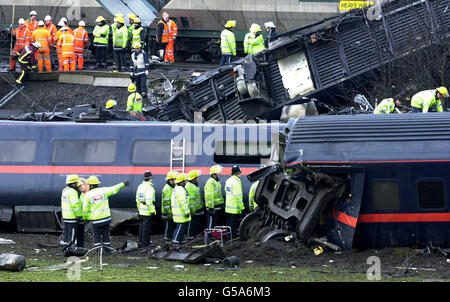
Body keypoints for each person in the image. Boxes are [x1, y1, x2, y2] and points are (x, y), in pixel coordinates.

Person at [81, 176, 129, 249]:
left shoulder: (87, 195)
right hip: (106, 219)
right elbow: (114, 188)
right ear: (97, 184)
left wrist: (85, 218)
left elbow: (85, 210)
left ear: (90, 185)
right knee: (106, 234)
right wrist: (123, 184)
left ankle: (97, 250)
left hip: (95, 220)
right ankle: (107, 249)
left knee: (96, 235)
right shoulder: (103, 191)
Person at [61, 174, 84, 247]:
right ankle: (71, 248)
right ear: (74, 183)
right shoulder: (73, 192)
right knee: (72, 234)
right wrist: (79, 215)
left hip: (65, 216)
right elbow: (75, 205)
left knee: (67, 234)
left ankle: (65, 248)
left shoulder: (65, 190)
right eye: (77, 182)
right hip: (72, 217)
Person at [135, 171, 157, 247]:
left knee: (142, 226)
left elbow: (137, 199)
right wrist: (153, 210)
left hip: (141, 209)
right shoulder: (149, 188)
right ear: (150, 178)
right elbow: (149, 201)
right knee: (146, 228)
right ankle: (146, 243)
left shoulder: (140, 186)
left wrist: (139, 209)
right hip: (147, 211)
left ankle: (141, 241)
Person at [171, 173, 191, 247]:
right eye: (184, 181)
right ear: (181, 182)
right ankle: (176, 241)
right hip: (181, 212)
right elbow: (183, 202)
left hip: (178, 212)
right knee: (180, 227)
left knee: (181, 227)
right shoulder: (181, 190)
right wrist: (187, 211)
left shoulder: (176, 189)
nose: (185, 182)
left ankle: (181, 240)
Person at [225, 166, 244, 238]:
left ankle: (228, 235)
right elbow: (238, 197)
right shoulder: (236, 182)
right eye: (240, 173)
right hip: (234, 208)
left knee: (229, 222)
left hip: (228, 207)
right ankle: (232, 236)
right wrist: (242, 208)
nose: (241, 175)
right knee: (233, 223)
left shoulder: (228, 180)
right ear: (237, 173)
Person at [185, 169, 204, 240]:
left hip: (197, 208)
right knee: (192, 223)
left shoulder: (193, 185)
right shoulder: (190, 186)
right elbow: (191, 200)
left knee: (195, 223)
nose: (198, 179)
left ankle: (194, 236)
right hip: (194, 210)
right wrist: (193, 211)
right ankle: (190, 236)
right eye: (197, 178)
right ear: (193, 179)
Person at [204, 165, 224, 229]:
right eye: (218, 173)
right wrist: (211, 208)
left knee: (215, 222)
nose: (219, 175)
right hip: (212, 207)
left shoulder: (216, 182)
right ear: (214, 175)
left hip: (216, 206)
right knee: (211, 223)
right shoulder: (210, 182)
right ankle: (210, 235)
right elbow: (209, 196)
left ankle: (214, 235)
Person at [161, 171, 177, 241]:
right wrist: (169, 212)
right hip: (167, 211)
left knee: (171, 225)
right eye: (174, 179)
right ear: (170, 180)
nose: (176, 181)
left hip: (171, 211)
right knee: (169, 225)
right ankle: (167, 237)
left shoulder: (172, 187)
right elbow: (166, 202)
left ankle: (170, 237)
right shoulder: (167, 189)